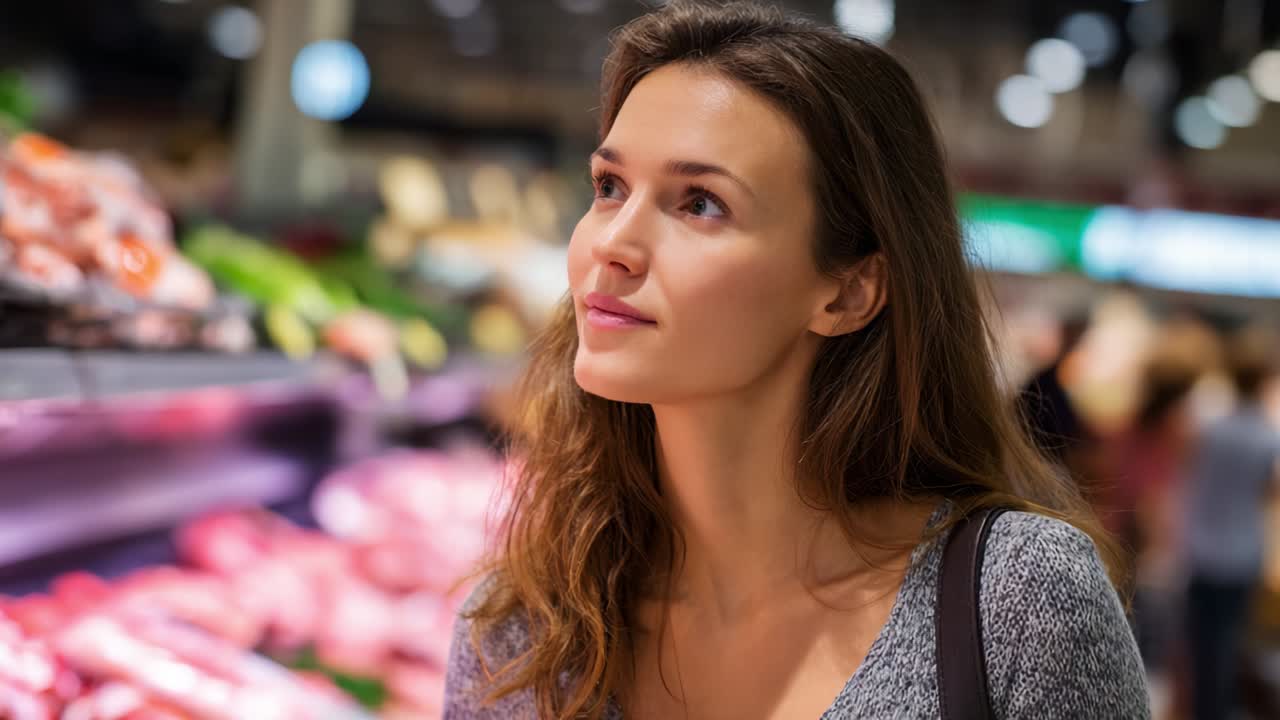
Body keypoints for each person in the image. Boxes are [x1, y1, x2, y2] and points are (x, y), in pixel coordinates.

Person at [444, 2, 1148, 718]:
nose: (612, 244)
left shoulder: (1016, 603)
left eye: (701, 204)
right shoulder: (519, 632)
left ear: (849, 291)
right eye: (609, 187)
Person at [1182, 325, 1280, 720]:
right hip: (1240, 551)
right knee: (1229, 641)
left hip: (1201, 547)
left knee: (1201, 644)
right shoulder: (1266, 437)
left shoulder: (1210, 428)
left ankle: (1203, 708)